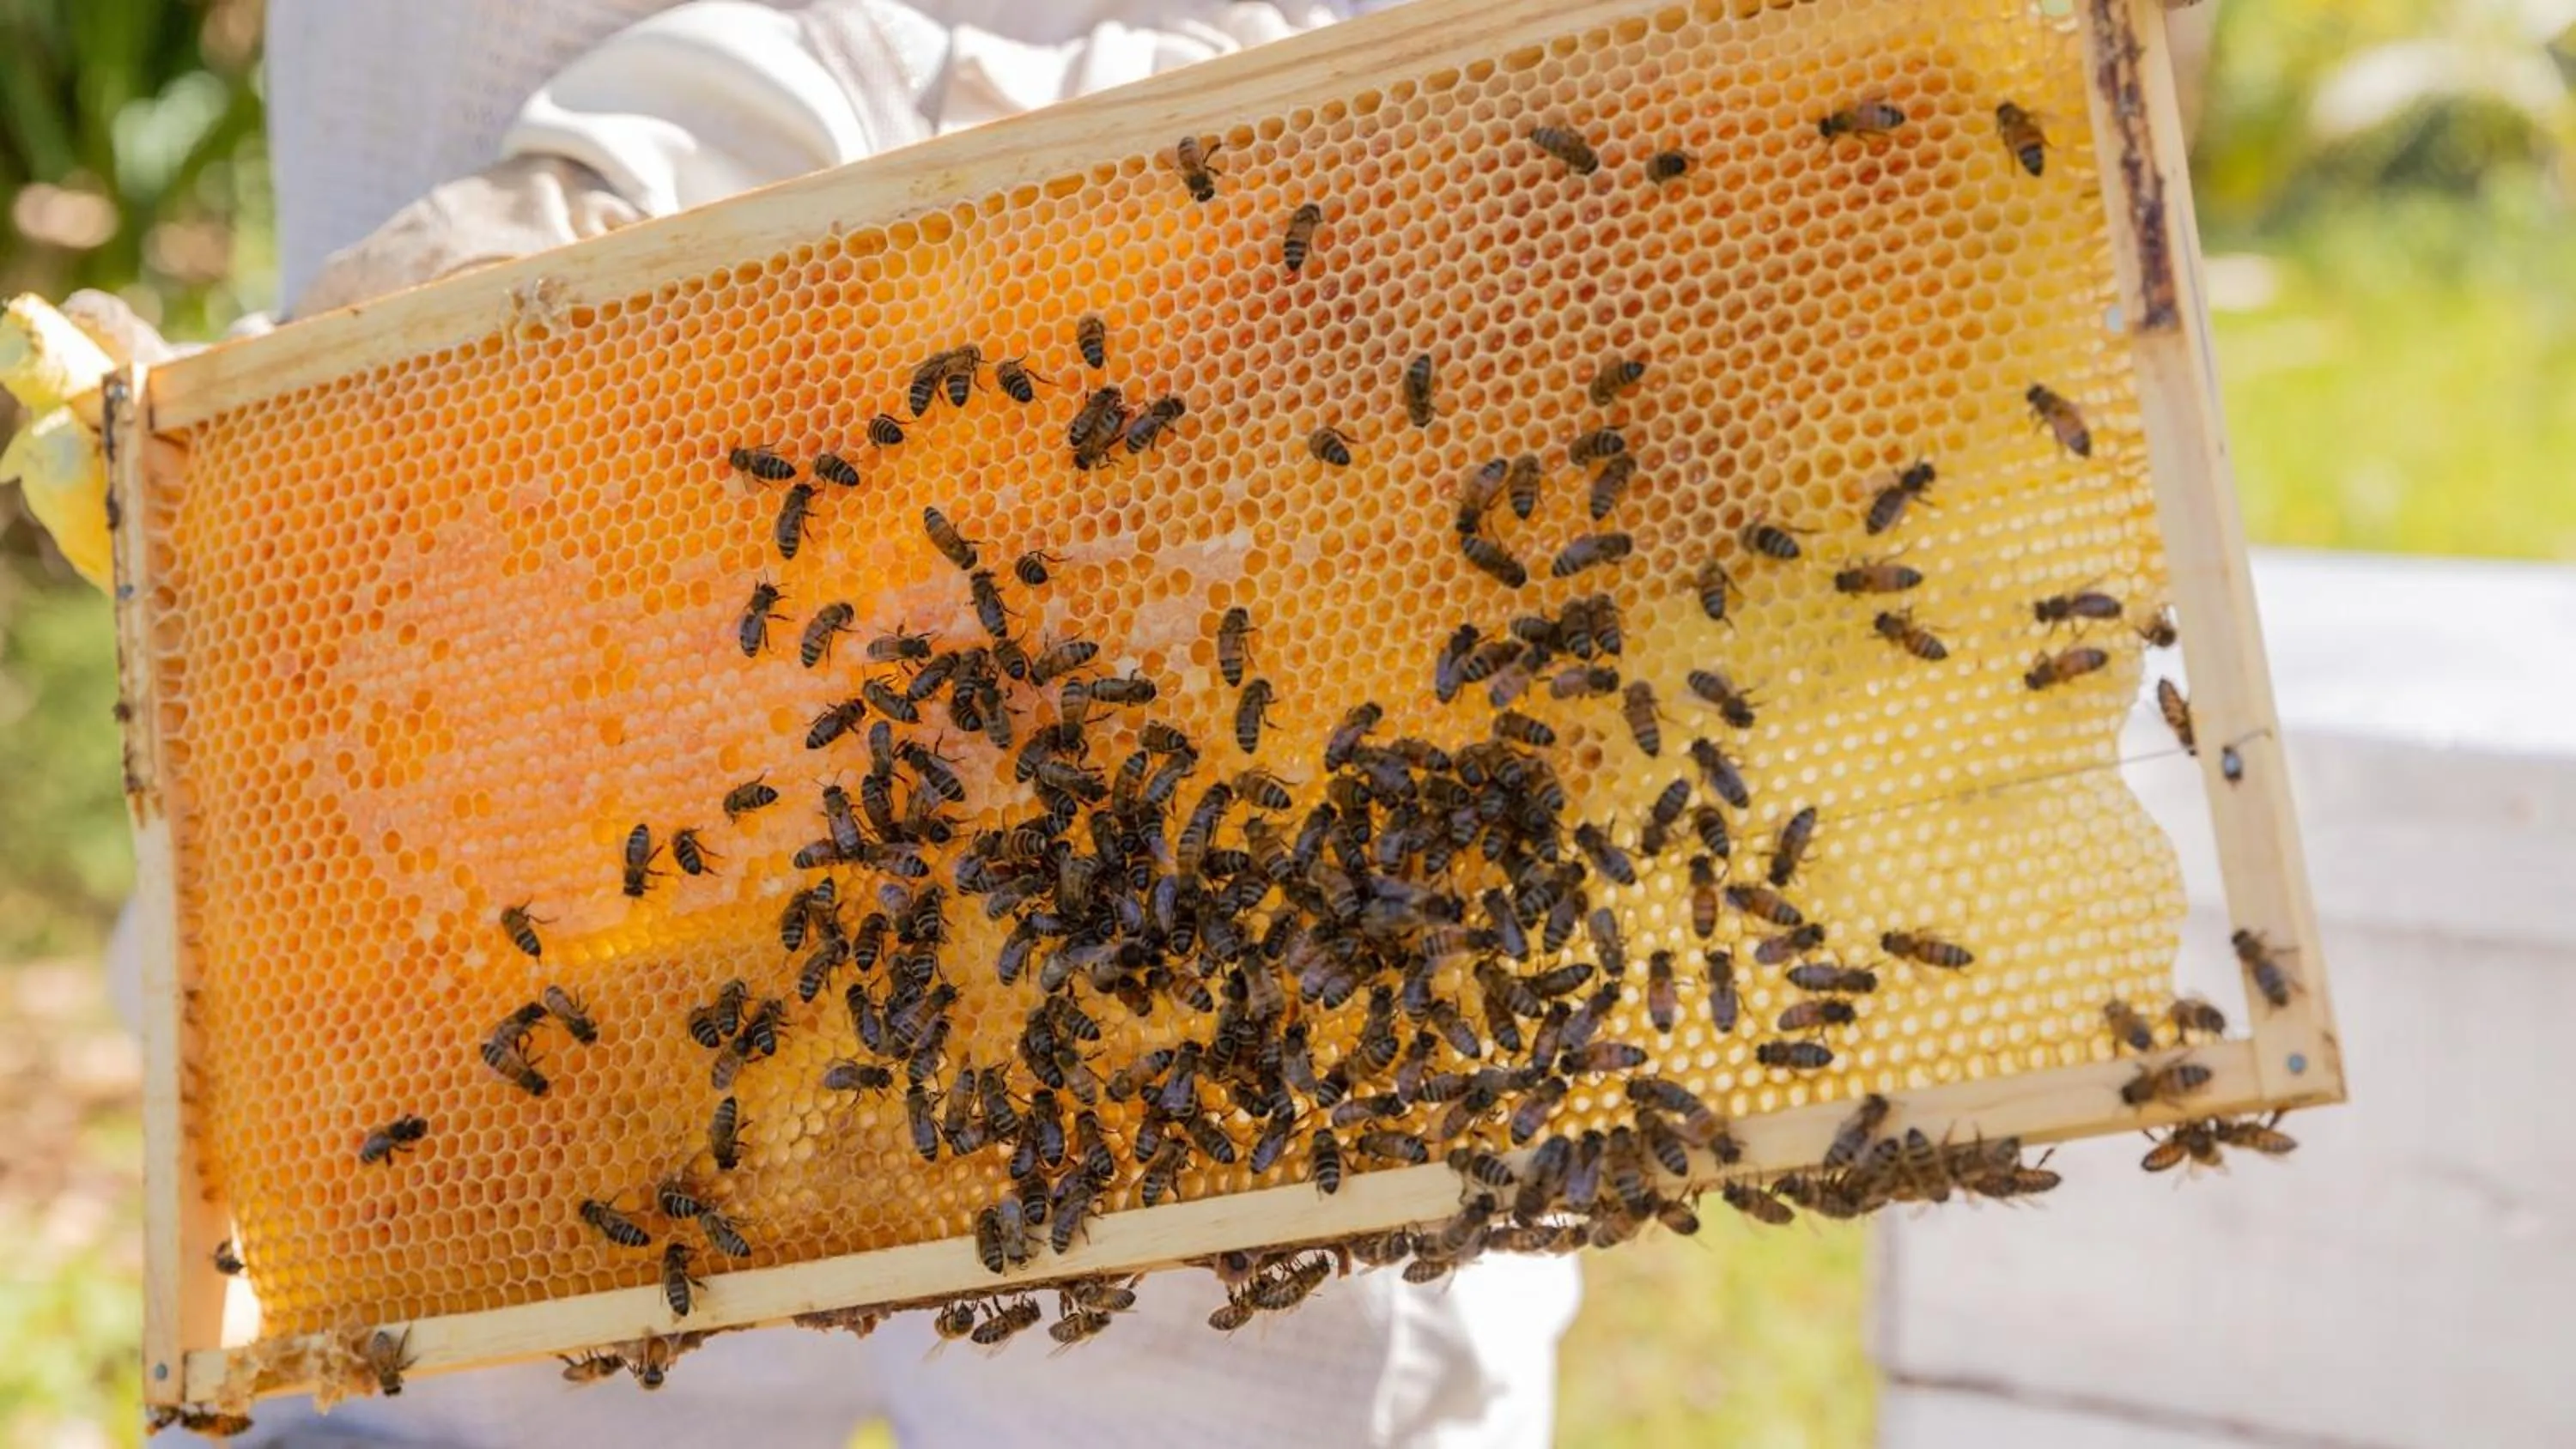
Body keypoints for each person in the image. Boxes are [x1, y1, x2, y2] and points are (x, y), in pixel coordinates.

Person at [1, 4, 1583, 1445]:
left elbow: (1471, 91)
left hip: (1215, 863)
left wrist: (733, 148)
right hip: (474, 876)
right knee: (449, 1369)